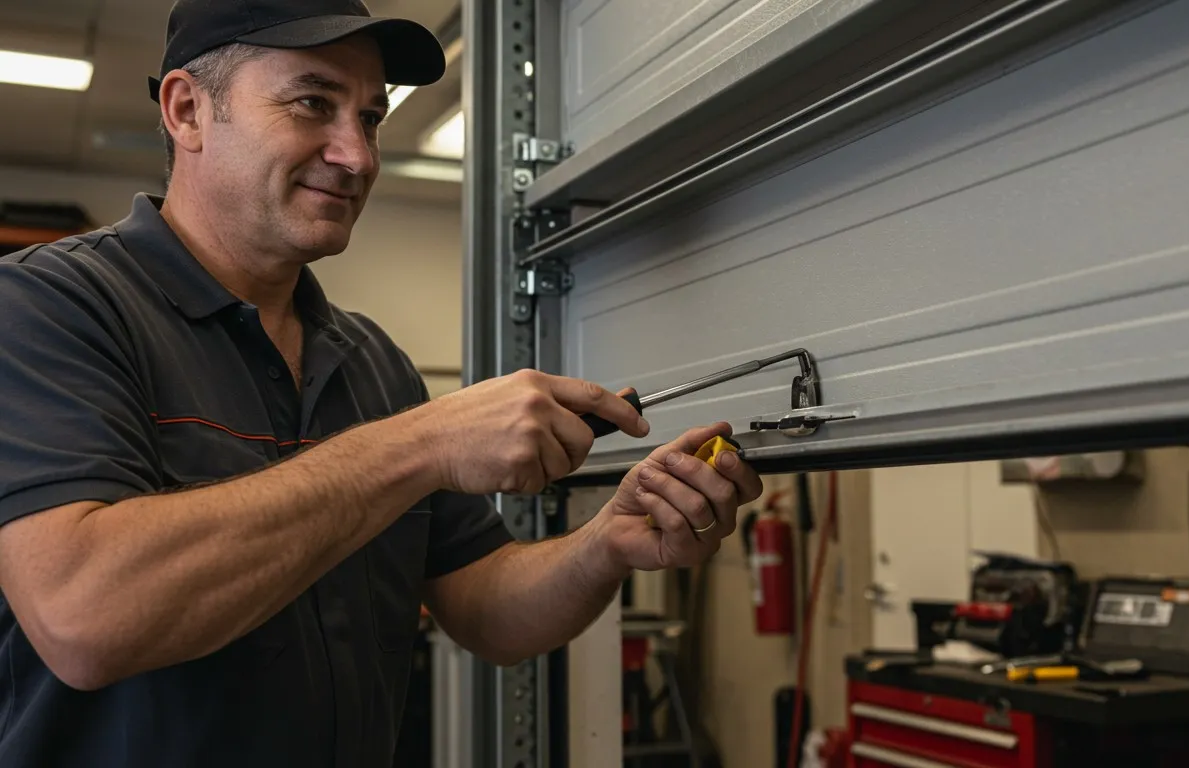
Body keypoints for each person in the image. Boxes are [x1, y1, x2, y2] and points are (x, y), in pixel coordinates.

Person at [0, 1, 763, 765]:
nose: (359, 156)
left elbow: (486, 609)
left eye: (370, 118)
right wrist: (423, 443)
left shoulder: (371, 361)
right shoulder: (48, 307)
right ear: (188, 110)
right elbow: (84, 616)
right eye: (313, 104)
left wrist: (607, 545)